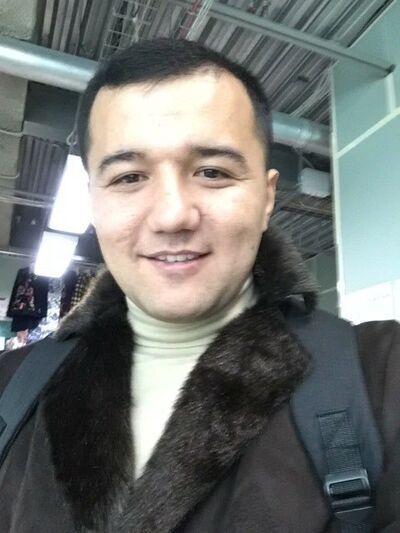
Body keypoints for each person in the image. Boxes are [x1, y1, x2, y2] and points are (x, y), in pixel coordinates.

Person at [0, 38, 400, 533]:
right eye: (129, 177)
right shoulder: (12, 388)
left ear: (267, 197)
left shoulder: (380, 378)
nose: (172, 216)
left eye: (212, 172)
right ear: (92, 201)